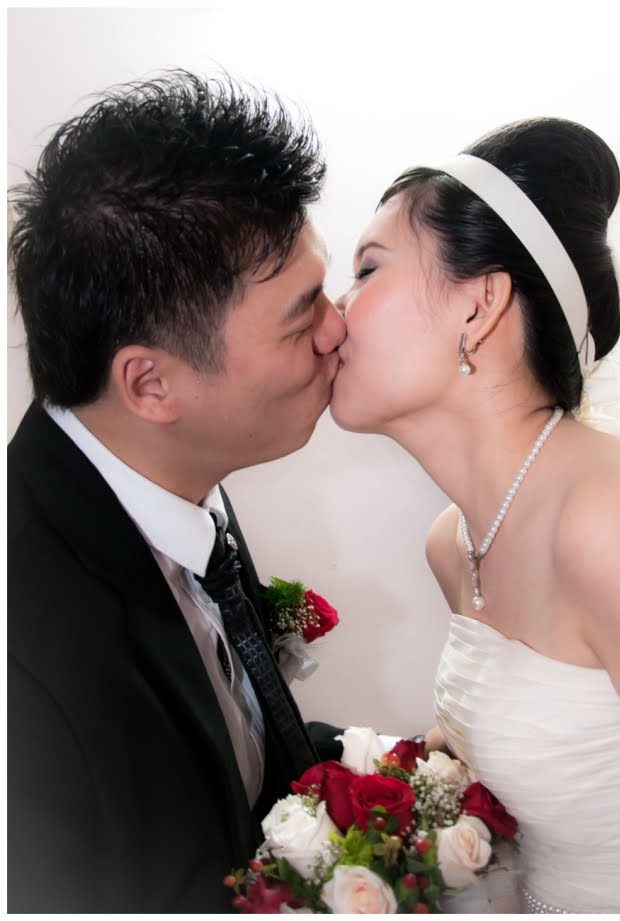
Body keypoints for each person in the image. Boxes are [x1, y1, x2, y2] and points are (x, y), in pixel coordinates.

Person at [8, 71, 347, 912]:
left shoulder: (174, 471)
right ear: (151, 385)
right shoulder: (27, 662)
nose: (338, 327)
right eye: (303, 314)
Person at [329, 117, 620, 913]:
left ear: (480, 303)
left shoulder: (615, 517)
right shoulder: (452, 545)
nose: (337, 310)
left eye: (368, 269)